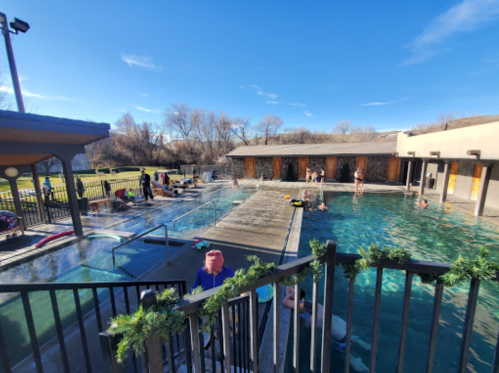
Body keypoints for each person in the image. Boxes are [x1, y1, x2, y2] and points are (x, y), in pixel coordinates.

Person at [282, 287, 370, 373]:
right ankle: (363, 344)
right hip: (343, 325)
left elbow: (304, 327)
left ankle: (363, 368)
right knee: (348, 335)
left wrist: (289, 297)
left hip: (341, 338)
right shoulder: (315, 304)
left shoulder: (310, 321)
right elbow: (289, 288)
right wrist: (292, 294)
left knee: (348, 357)